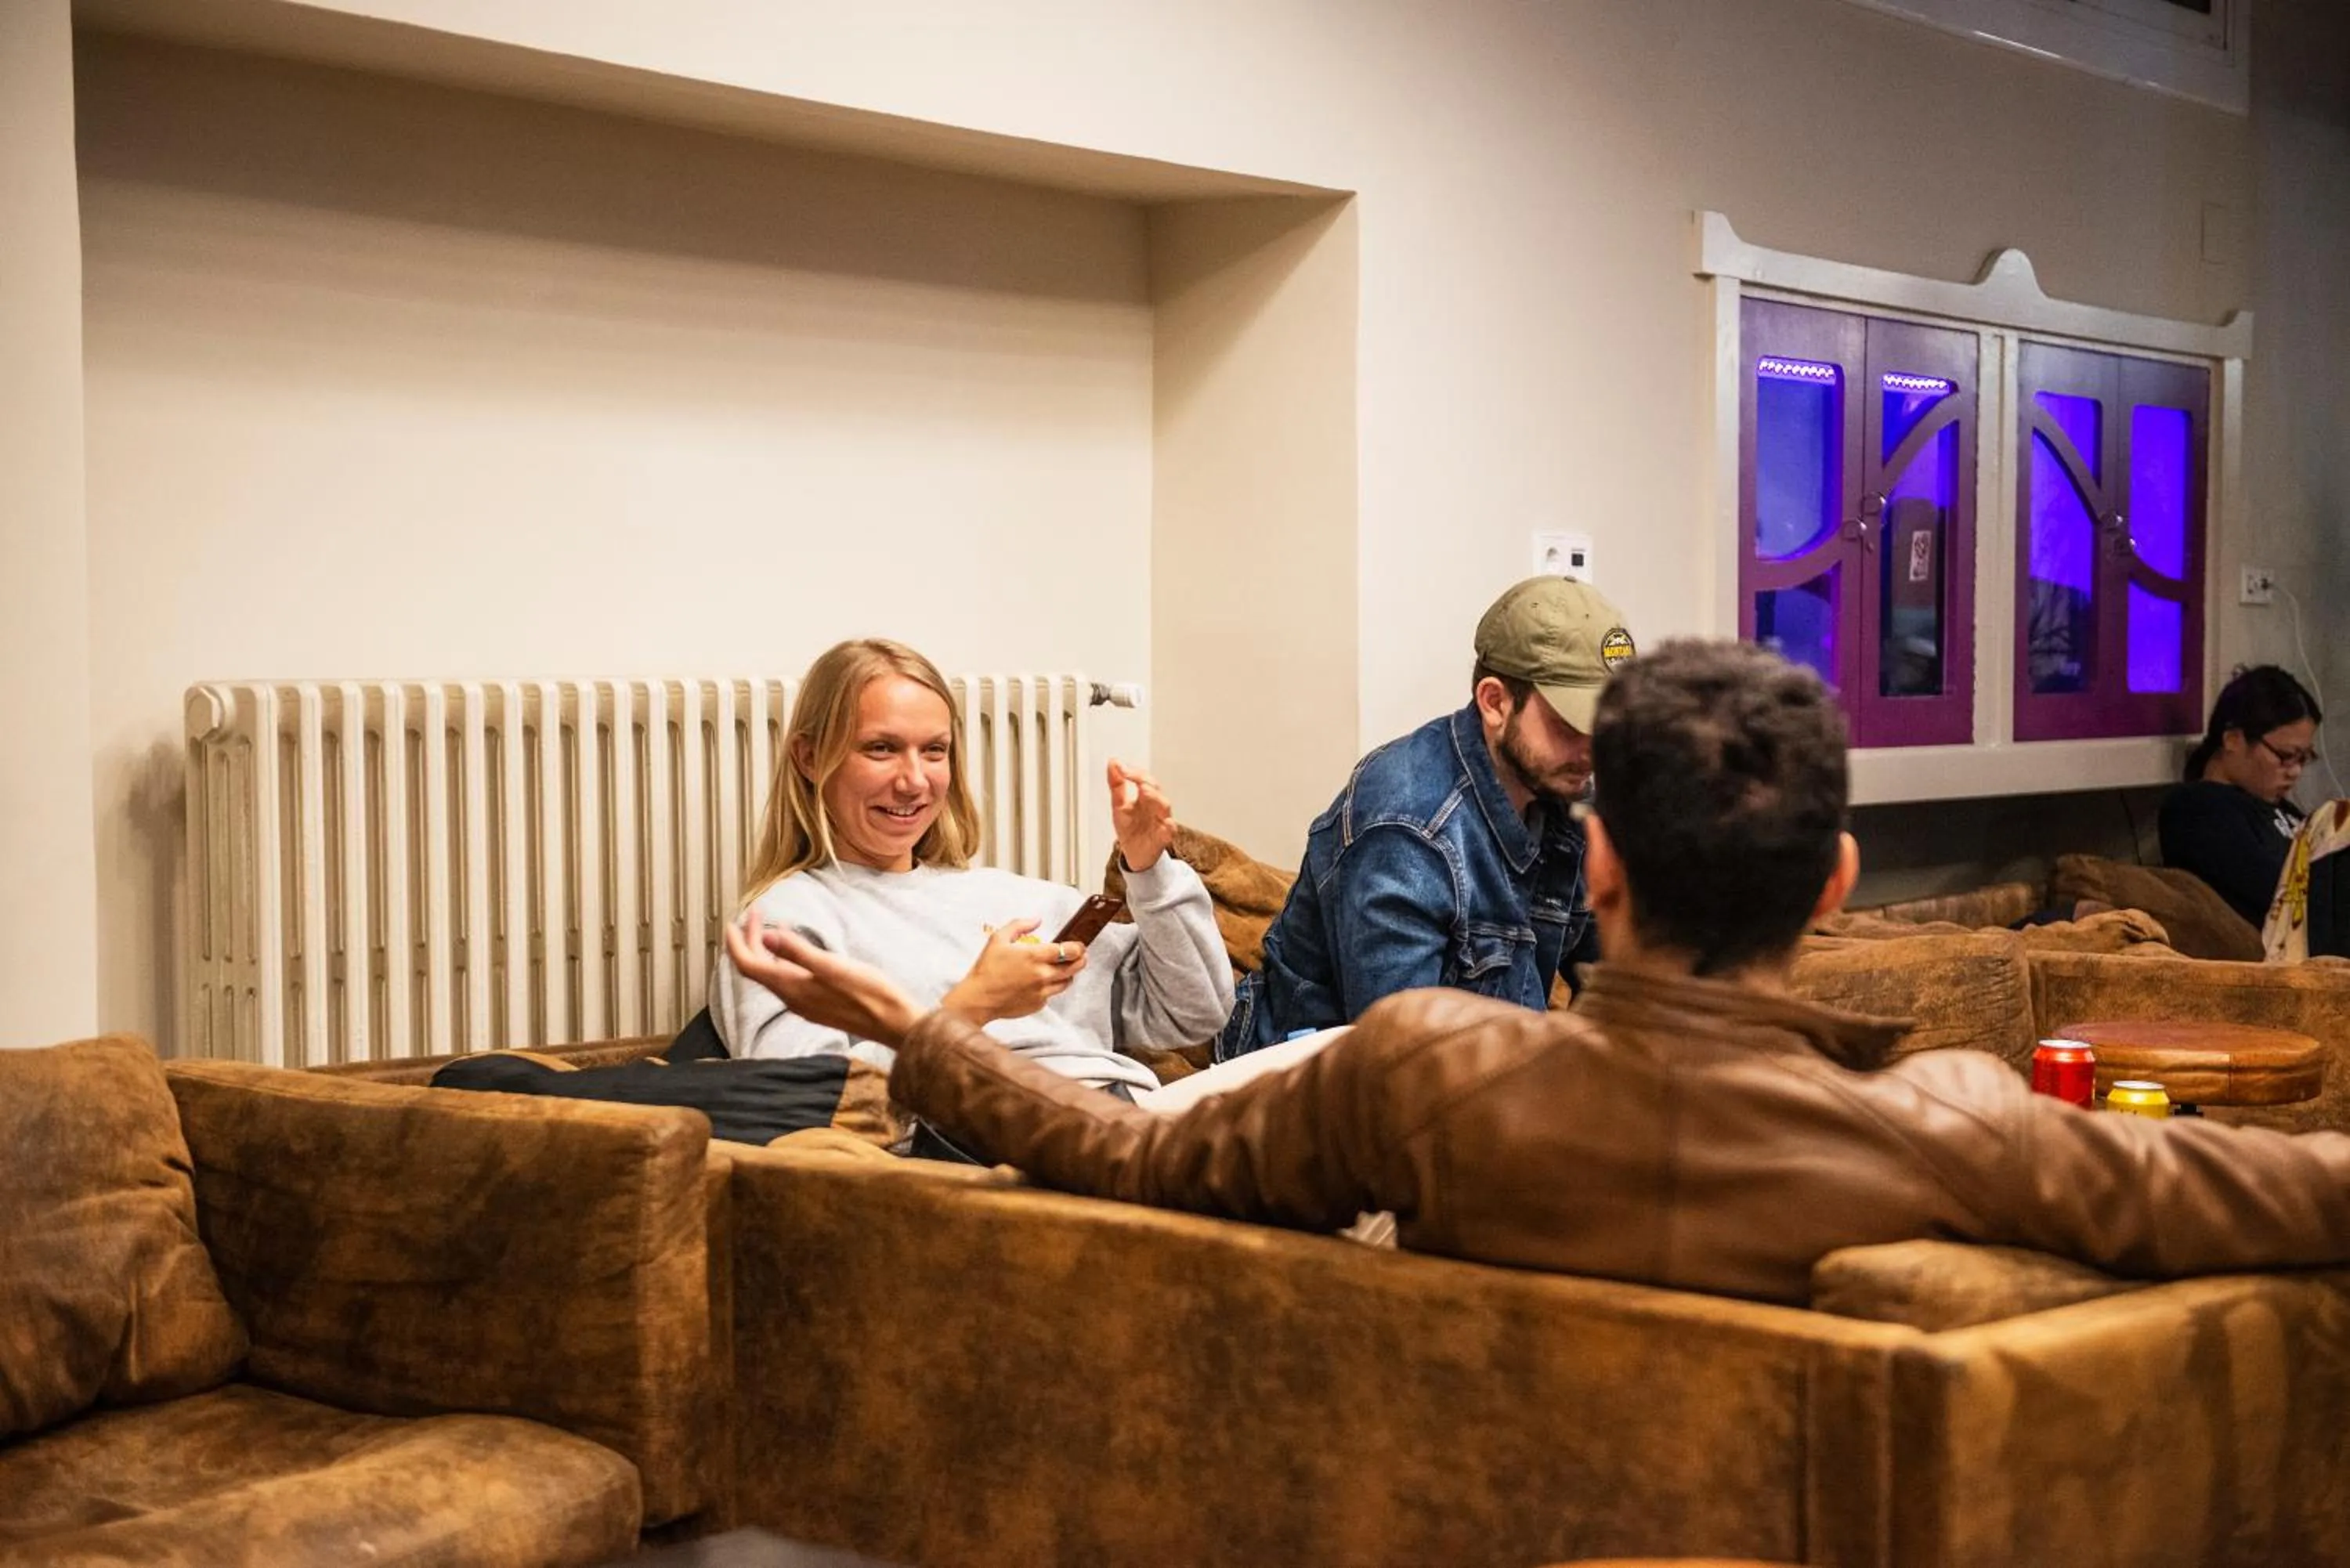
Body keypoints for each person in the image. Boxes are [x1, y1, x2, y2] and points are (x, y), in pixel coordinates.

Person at [727, 640, 2350, 1306]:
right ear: (1839, 881)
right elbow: (2276, 1198)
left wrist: (922, 1045)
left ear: (1603, 865)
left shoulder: (1416, 1070)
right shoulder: (1954, 1127)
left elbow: (1117, 1155)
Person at [708, 638, 1234, 1105]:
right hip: (1019, 1137)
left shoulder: (1017, 900)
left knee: (1313, 1080)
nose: (914, 781)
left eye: (934, 750)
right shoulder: (787, 924)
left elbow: (1195, 1014)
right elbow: (810, 1105)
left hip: (1131, 1113)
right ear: (808, 756)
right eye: (881, 749)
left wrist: (1148, 867)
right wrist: (971, 1007)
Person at [1215, 576, 1637, 1059]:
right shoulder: (1407, 829)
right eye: (1569, 725)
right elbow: (1402, 1066)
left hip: (1479, 1079)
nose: (1591, 749)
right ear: (1495, 702)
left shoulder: (1568, 793)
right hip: (1309, 1094)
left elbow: (1623, 983)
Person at [2159, 665, 2323, 930]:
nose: (2295, 771)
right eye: (2285, 756)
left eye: (2304, 758)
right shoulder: (2196, 809)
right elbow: (2280, 892)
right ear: (2233, 739)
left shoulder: (2282, 809)